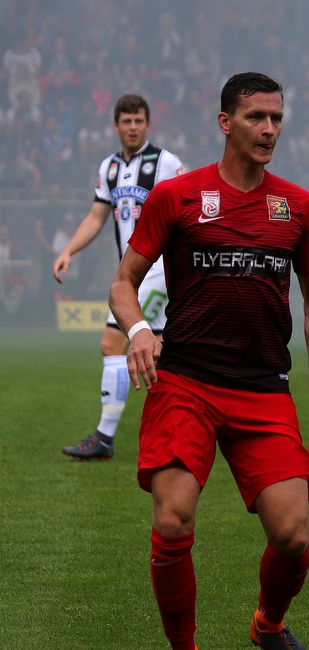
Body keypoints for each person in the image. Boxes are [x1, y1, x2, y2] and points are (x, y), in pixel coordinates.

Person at [108, 72, 309, 650]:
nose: (269, 129)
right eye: (256, 117)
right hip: (185, 380)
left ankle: (268, 624)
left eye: (276, 118)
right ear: (225, 122)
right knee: (172, 519)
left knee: (291, 535)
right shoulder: (177, 196)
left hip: (263, 388)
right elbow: (123, 283)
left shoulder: (299, 205)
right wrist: (138, 329)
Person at [56, 95, 185, 460]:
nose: (132, 126)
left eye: (138, 120)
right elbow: (97, 216)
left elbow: (188, 207)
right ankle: (180, 429)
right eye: (126, 121)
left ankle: (105, 438)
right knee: (160, 352)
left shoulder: (165, 162)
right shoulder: (109, 168)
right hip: (131, 274)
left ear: (148, 124)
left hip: (157, 272)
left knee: (115, 344)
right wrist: (69, 250)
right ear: (115, 125)